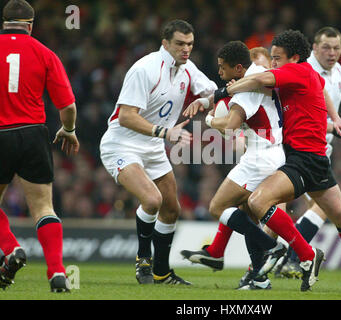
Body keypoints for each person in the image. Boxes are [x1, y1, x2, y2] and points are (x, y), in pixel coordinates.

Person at [220, 29, 341, 290]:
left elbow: (261, 80)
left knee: (258, 202)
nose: (274, 61)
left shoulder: (297, 70)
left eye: (277, 57)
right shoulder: (306, 75)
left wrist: (225, 90)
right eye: (272, 57)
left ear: (295, 57)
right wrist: (335, 119)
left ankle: (304, 256)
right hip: (314, 159)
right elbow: (321, 89)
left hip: (303, 159)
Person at [184, 46, 324, 293]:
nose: (219, 71)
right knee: (248, 210)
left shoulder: (246, 92)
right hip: (269, 151)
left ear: (238, 68)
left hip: (261, 157)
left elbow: (230, 125)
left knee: (218, 206)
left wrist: (209, 121)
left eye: (222, 66)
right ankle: (266, 274)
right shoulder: (257, 73)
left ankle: (273, 247)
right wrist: (211, 99)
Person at [99, 19, 217, 285]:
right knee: (152, 200)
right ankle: (143, 260)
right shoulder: (145, 69)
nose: (186, 49)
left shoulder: (188, 69)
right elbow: (127, 116)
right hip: (122, 144)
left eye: (190, 44)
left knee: (171, 210)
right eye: (179, 44)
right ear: (165, 43)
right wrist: (165, 133)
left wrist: (205, 100)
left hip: (152, 146)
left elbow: (214, 93)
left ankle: (162, 273)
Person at [0, 0, 79, 292]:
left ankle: (11, 249)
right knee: (44, 208)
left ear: (4, 22)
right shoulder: (45, 53)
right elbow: (68, 105)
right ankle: (57, 273)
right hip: (34, 133)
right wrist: (68, 130)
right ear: (30, 26)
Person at [278, 27, 341, 277]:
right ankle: (289, 258)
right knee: (315, 208)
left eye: (337, 48)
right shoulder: (303, 71)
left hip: (320, 149)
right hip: (298, 148)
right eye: (327, 48)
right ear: (315, 48)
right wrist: (334, 126)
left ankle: (274, 261)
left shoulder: (338, 71)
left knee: (285, 209)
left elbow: (329, 109)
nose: (332, 53)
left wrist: (334, 124)